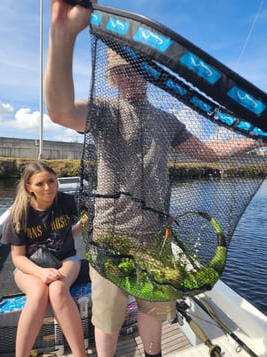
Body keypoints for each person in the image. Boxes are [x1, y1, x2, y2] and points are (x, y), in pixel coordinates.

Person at [44, 2, 259, 356]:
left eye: (135, 69)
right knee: (108, 319)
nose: (128, 78)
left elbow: (210, 151)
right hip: (111, 237)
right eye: (120, 73)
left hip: (156, 236)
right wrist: (63, 35)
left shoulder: (165, 119)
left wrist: (254, 139)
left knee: (154, 311)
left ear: (148, 73)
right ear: (110, 79)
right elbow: (61, 111)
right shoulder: (105, 111)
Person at [1, 161, 88, 357]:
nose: (48, 188)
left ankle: (80, 354)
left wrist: (84, 221)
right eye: (40, 184)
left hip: (66, 260)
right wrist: (41, 273)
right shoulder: (19, 213)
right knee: (38, 294)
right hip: (30, 267)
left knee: (57, 290)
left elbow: (72, 229)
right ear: (28, 187)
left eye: (52, 181)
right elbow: (18, 257)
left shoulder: (67, 202)